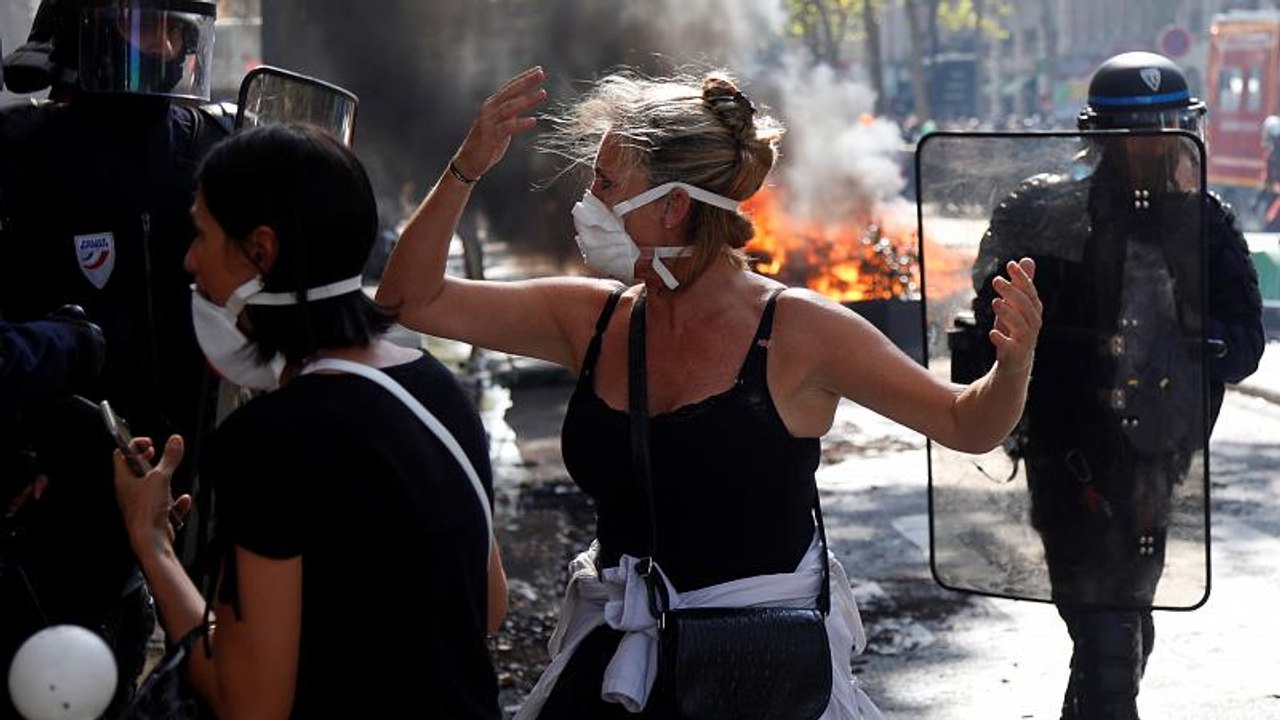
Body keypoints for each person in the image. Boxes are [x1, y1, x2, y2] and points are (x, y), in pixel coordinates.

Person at [377, 65, 1042, 719]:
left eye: (606, 183)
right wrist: (467, 166)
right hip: (616, 670)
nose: (587, 201)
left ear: (673, 205)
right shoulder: (593, 320)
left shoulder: (799, 331)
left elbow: (966, 424)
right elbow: (409, 297)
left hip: (760, 679)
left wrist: (1010, 368)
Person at [113, 122, 508, 719]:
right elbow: (486, 604)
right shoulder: (435, 387)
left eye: (201, 233)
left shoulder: (269, 441)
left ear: (261, 251)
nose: (191, 261)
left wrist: (153, 546)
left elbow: (251, 705)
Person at [964, 51, 1265, 720]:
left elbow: (1247, 343)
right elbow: (986, 315)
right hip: (1064, 457)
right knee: (1101, 620)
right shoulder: (1042, 211)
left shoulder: (1205, 222)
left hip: (1154, 463)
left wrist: (1198, 342)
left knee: (1124, 619)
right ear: (1098, 137)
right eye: (1138, 130)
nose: (1153, 144)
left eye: (1165, 126)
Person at [0, 1, 228, 716]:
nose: (161, 46)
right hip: (61, 483)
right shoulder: (21, 152)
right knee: (71, 673)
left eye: (175, 29)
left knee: (222, 669)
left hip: (200, 470)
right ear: (77, 28)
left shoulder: (212, 144)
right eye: (139, 25)